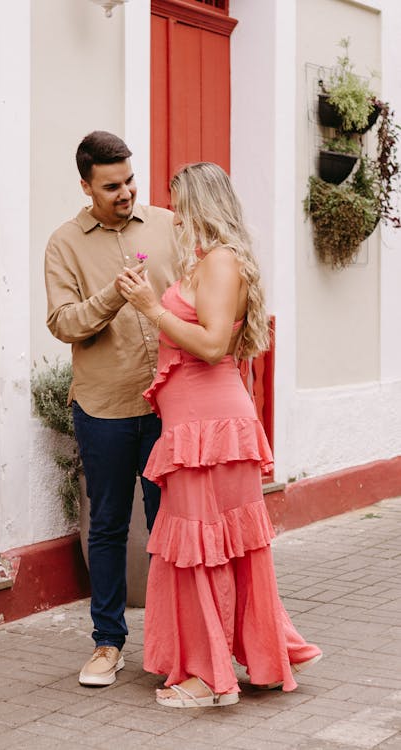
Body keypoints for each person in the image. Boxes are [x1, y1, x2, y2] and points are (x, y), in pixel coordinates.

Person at [116, 162, 322, 708]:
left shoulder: (224, 261)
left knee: (206, 546)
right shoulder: (209, 262)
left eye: (181, 204)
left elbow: (210, 346)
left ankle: (208, 679)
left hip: (212, 429)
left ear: (204, 205)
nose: (176, 217)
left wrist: (152, 308)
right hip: (194, 427)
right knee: (205, 546)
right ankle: (244, 660)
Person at [45, 131, 179, 687]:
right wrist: (112, 297)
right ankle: (107, 644)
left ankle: (178, 644)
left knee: (172, 525)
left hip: (171, 401)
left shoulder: (170, 225)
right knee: (107, 525)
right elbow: (62, 323)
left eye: (129, 181)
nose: (125, 193)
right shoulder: (64, 245)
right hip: (104, 406)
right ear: (85, 185)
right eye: (111, 186)